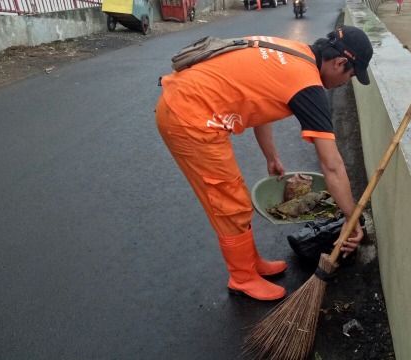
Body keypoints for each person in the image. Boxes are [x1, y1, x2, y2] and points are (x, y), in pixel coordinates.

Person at [155, 25, 373, 301]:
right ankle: (242, 278)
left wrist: (272, 156)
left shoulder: (297, 52)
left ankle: (250, 263)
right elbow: (332, 165)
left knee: (235, 198)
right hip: (189, 118)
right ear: (341, 62)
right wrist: (350, 216)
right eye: (351, 75)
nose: (346, 82)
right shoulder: (308, 86)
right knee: (230, 204)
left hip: (186, 102)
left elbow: (263, 98)